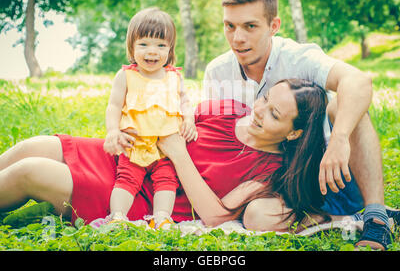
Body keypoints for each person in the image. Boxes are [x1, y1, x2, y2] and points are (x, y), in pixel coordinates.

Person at [1, 79, 345, 235]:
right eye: (265, 98)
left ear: (294, 133)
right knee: (34, 145)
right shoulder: (227, 109)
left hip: (144, 197)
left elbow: (217, 217)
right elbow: (173, 120)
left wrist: (180, 155)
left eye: (274, 114)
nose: (259, 111)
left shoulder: (268, 172)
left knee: (31, 172)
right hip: (129, 159)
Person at [203, 0, 392, 250]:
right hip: (276, 185)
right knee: (255, 215)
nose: (237, 38)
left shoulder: (298, 58)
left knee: (344, 104)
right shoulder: (217, 72)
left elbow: (359, 81)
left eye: (250, 26)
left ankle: (376, 217)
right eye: (229, 26)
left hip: (329, 174)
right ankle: (333, 217)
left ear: (273, 26)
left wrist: (338, 140)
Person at [102, 7, 197, 228]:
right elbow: (113, 106)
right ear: (132, 46)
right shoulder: (126, 75)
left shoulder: (174, 76)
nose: (152, 51)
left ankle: (162, 217)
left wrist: (189, 120)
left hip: (165, 148)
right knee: (126, 179)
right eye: (144, 44)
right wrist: (113, 131)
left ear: (170, 48)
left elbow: (185, 102)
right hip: (134, 144)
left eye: (161, 45)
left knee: (167, 181)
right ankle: (117, 217)